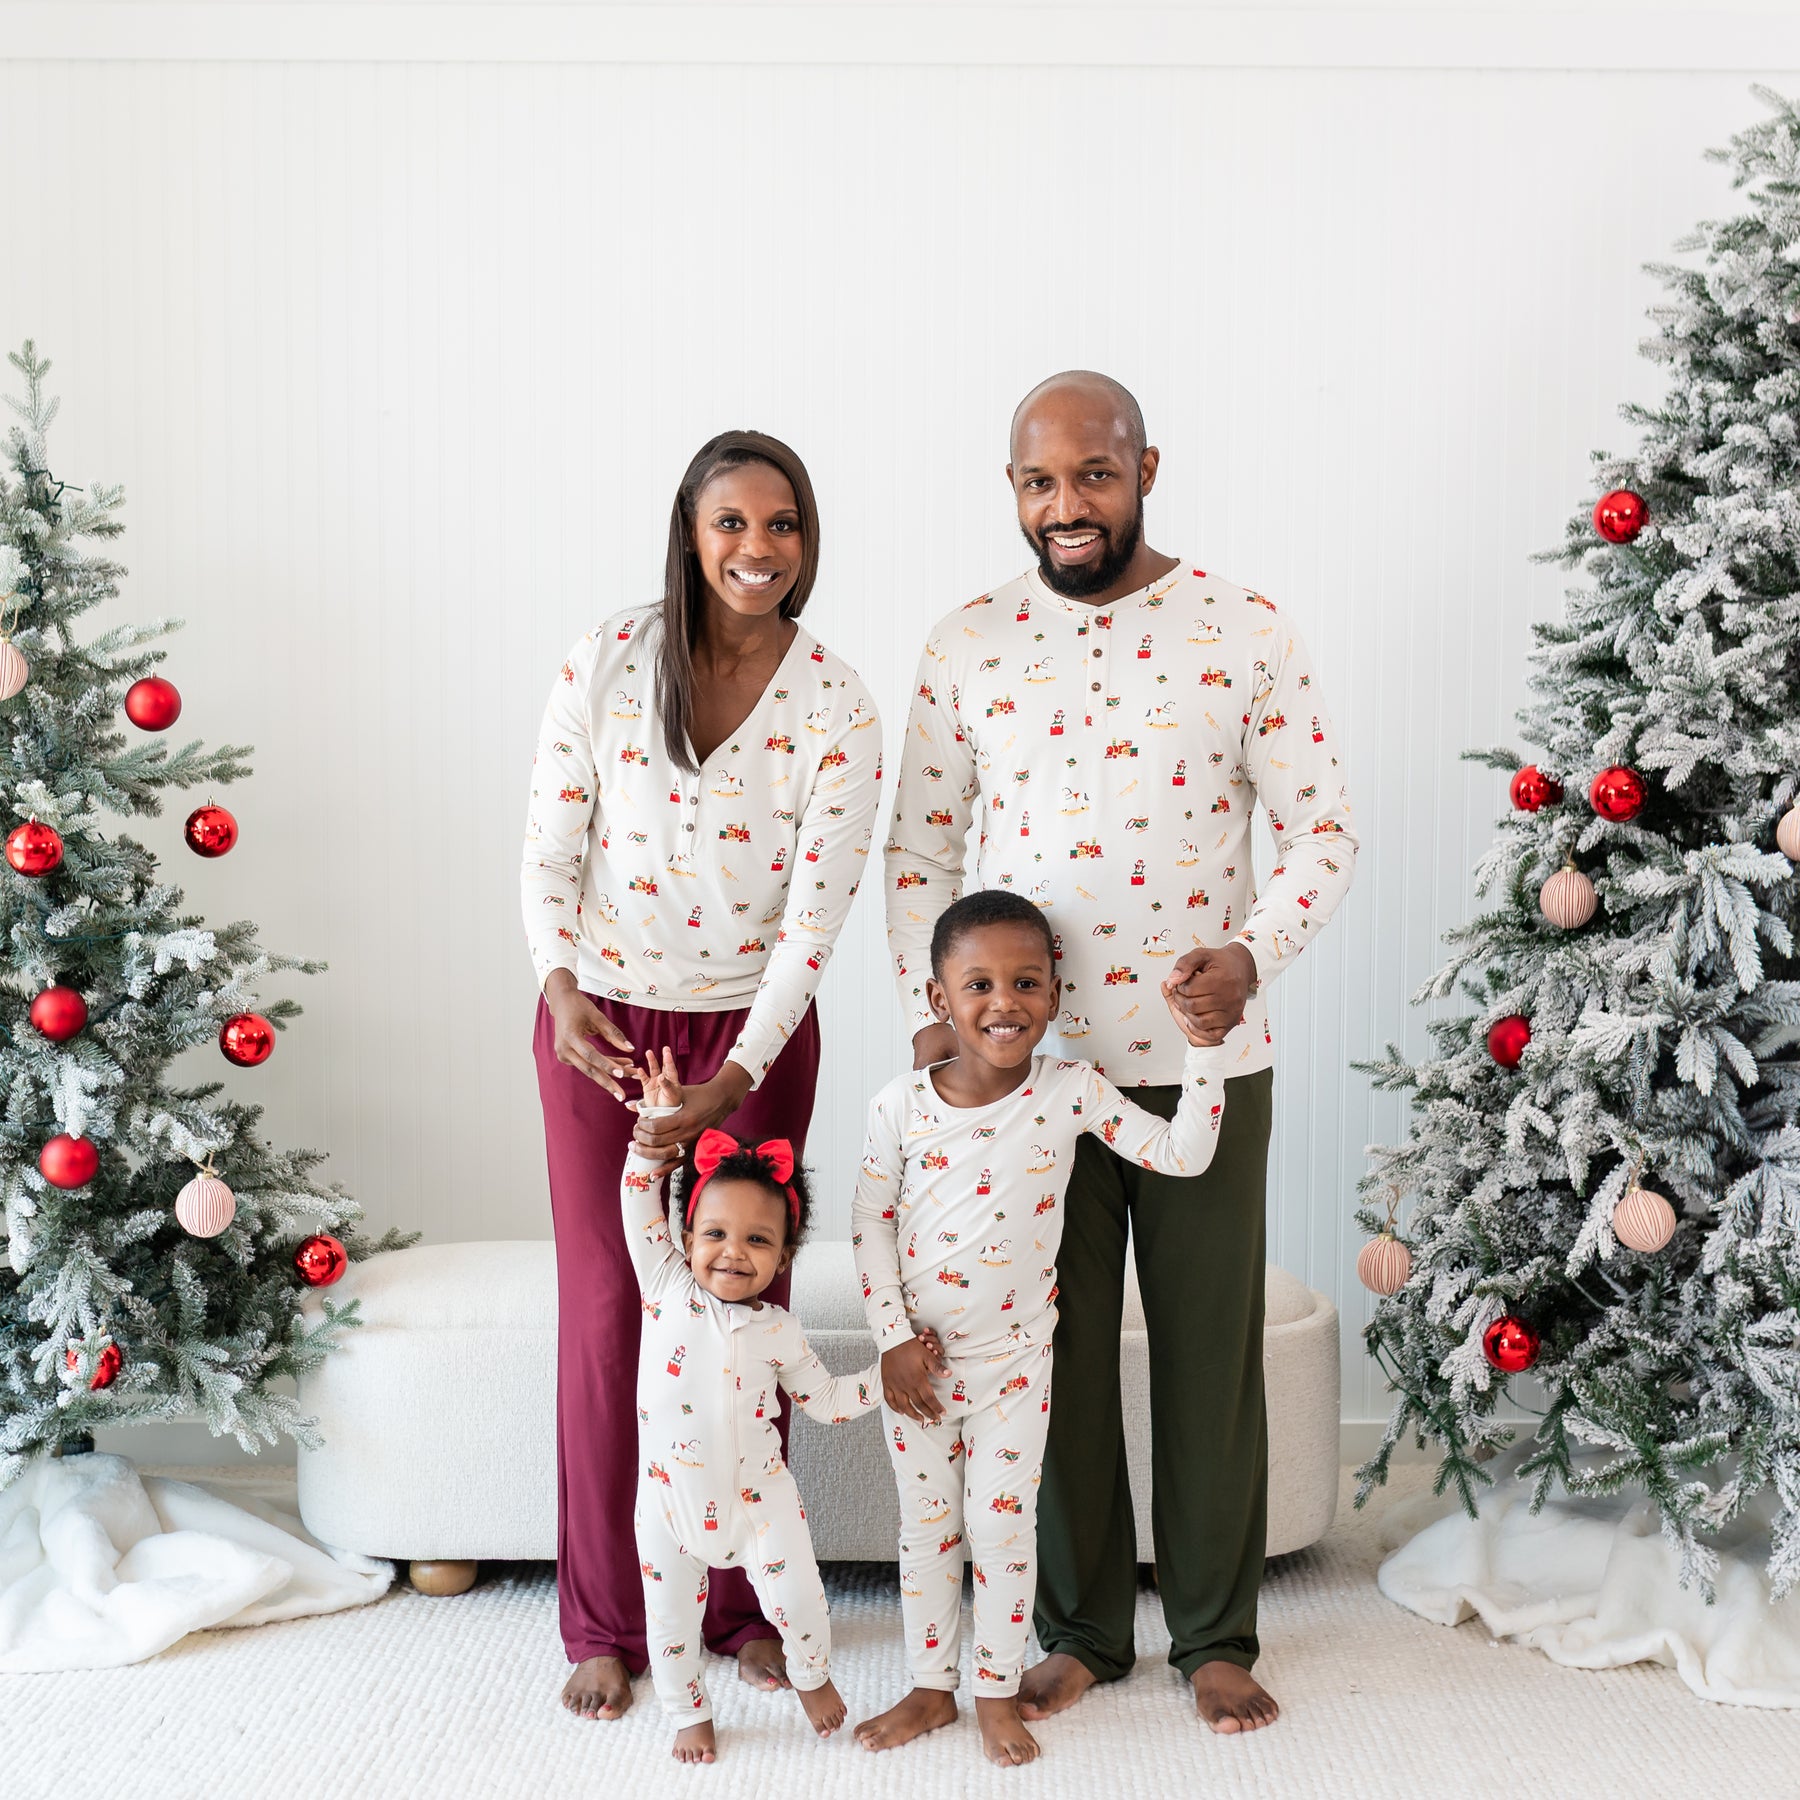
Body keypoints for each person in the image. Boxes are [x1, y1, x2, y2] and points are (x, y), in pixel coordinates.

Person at [884, 372, 1358, 1733]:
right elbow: (920, 845)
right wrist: (939, 1006)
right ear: (1014, 492)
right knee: (1046, 1350)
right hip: (1019, 1082)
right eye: (1040, 482)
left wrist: (1254, 951)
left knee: (1209, 1348)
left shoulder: (1243, 628)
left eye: (1092, 475)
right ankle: (1081, 1625)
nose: (1067, 505)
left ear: (1145, 465)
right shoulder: (966, 643)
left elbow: (1321, 826)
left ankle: (1215, 1631)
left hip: (1206, 1059)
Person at [521, 430, 882, 1721]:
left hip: (751, 1044)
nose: (758, 549)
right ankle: (608, 1620)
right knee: (613, 1317)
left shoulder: (837, 700)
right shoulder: (610, 659)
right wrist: (559, 986)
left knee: (743, 1314)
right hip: (602, 1035)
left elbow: (813, 926)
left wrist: (737, 1076)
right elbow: (553, 839)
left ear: (807, 539)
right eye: (733, 522)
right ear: (690, 531)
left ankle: (743, 1610)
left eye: (782, 524)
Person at [851, 889, 1231, 1766]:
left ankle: (994, 1694)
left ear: (1056, 997)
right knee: (927, 1530)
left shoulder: (1070, 1090)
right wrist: (891, 1339)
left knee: (1002, 1530)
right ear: (939, 1001)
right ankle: (928, 1686)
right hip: (917, 1371)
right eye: (977, 985)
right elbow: (869, 1223)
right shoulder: (898, 1106)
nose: (1003, 1002)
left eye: (1026, 982)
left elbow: (1185, 1154)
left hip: (1018, 1367)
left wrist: (1204, 1054)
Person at [622, 1051, 939, 1764]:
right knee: (670, 1620)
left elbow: (824, 1401)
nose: (733, 1253)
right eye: (715, 1234)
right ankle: (687, 1712)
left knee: (801, 1599)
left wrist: (882, 1379)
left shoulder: (778, 1330)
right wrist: (660, 1117)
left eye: (757, 1240)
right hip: (670, 1501)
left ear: (784, 1256)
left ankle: (812, 1676)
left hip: (761, 1499)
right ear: (685, 1239)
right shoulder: (665, 1286)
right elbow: (639, 1187)